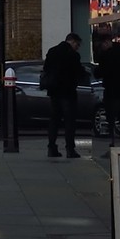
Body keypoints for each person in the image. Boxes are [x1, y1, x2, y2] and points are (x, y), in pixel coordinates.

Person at [41, 31, 89, 159]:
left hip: (54, 91)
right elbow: (77, 72)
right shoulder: (73, 55)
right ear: (72, 41)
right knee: (69, 121)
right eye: (77, 45)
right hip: (68, 91)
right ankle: (70, 149)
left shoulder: (52, 51)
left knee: (54, 120)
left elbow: (46, 69)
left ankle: (51, 147)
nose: (77, 47)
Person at [95, 32, 120, 141]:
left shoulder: (106, 56)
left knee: (111, 113)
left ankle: (112, 134)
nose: (101, 47)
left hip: (111, 89)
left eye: (102, 45)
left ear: (106, 42)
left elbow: (100, 72)